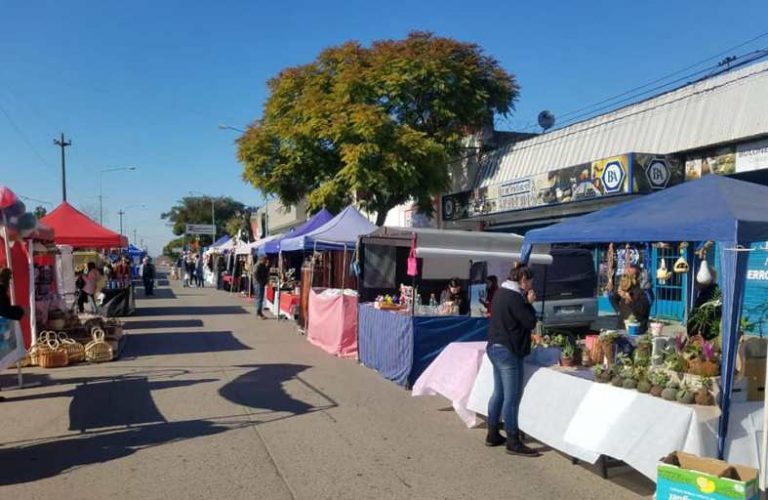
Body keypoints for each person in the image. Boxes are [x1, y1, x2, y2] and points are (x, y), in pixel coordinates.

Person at [485, 262, 541, 457]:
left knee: (499, 393)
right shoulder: (515, 297)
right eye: (530, 281)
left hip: (495, 347)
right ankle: (513, 440)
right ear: (523, 279)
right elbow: (529, 322)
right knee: (512, 397)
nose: (531, 285)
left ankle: (492, 432)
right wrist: (529, 304)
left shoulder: (500, 292)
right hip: (508, 350)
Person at [609, 263, 650, 333]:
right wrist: (618, 311)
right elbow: (613, 298)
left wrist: (630, 300)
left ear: (636, 277)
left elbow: (642, 311)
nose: (625, 278)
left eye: (629, 275)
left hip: (637, 328)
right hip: (622, 327)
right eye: (625, 275)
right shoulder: (625, 288)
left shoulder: (643, 291)